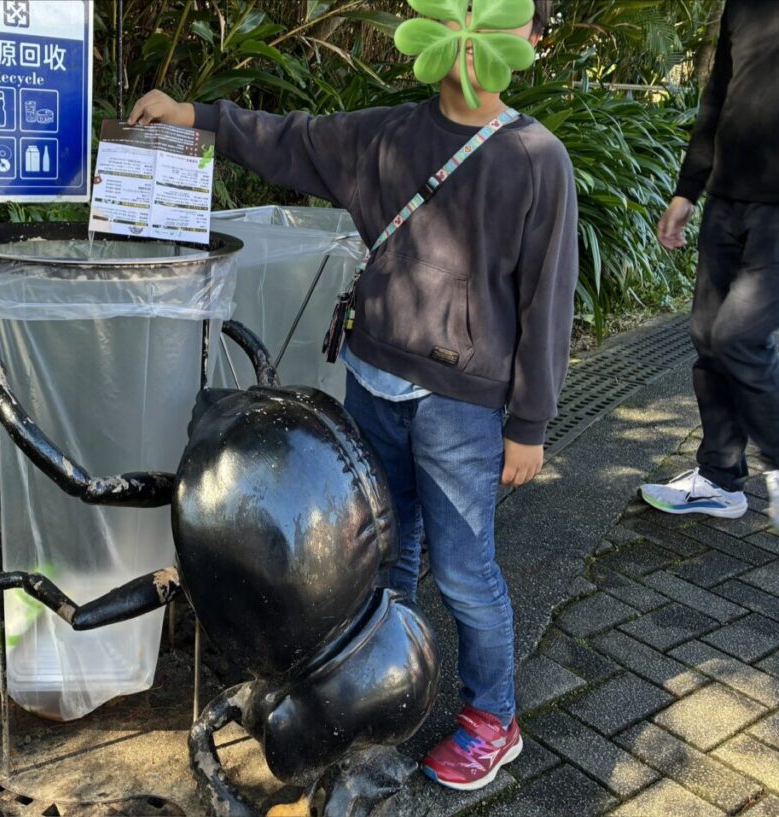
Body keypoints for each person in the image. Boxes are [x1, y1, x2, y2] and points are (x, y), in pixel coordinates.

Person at [129, 0, 576, 792]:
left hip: (461, 407)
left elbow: (548, 297)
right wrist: (193, 115)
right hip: (370, 383)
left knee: (468, 571)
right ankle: (380, 713)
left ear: (531, 37)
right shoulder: (387, 136)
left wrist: (529, 423)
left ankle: (492, 717)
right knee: (383, 561)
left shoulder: (537, 160)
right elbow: (290, 140)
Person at [640, 0, 779, 531]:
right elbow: (718, 94)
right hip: (727, 199)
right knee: (707, 337)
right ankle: (720, 480)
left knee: (739, 338)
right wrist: (687, 190)